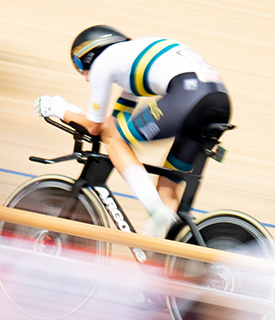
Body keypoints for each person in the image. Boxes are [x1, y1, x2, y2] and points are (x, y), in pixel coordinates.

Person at [33, 26, 230, 238]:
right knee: (166, 189)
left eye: (80, 66)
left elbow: (95, 126)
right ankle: (162, 254)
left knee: (117, 142)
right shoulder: (129, 62)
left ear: (90, 54)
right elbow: (115, 122)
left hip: (190, 95)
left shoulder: (104, 61)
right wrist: (98, 126)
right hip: (217, 101)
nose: (85, 77)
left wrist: (57, 108)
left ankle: (155, 210)